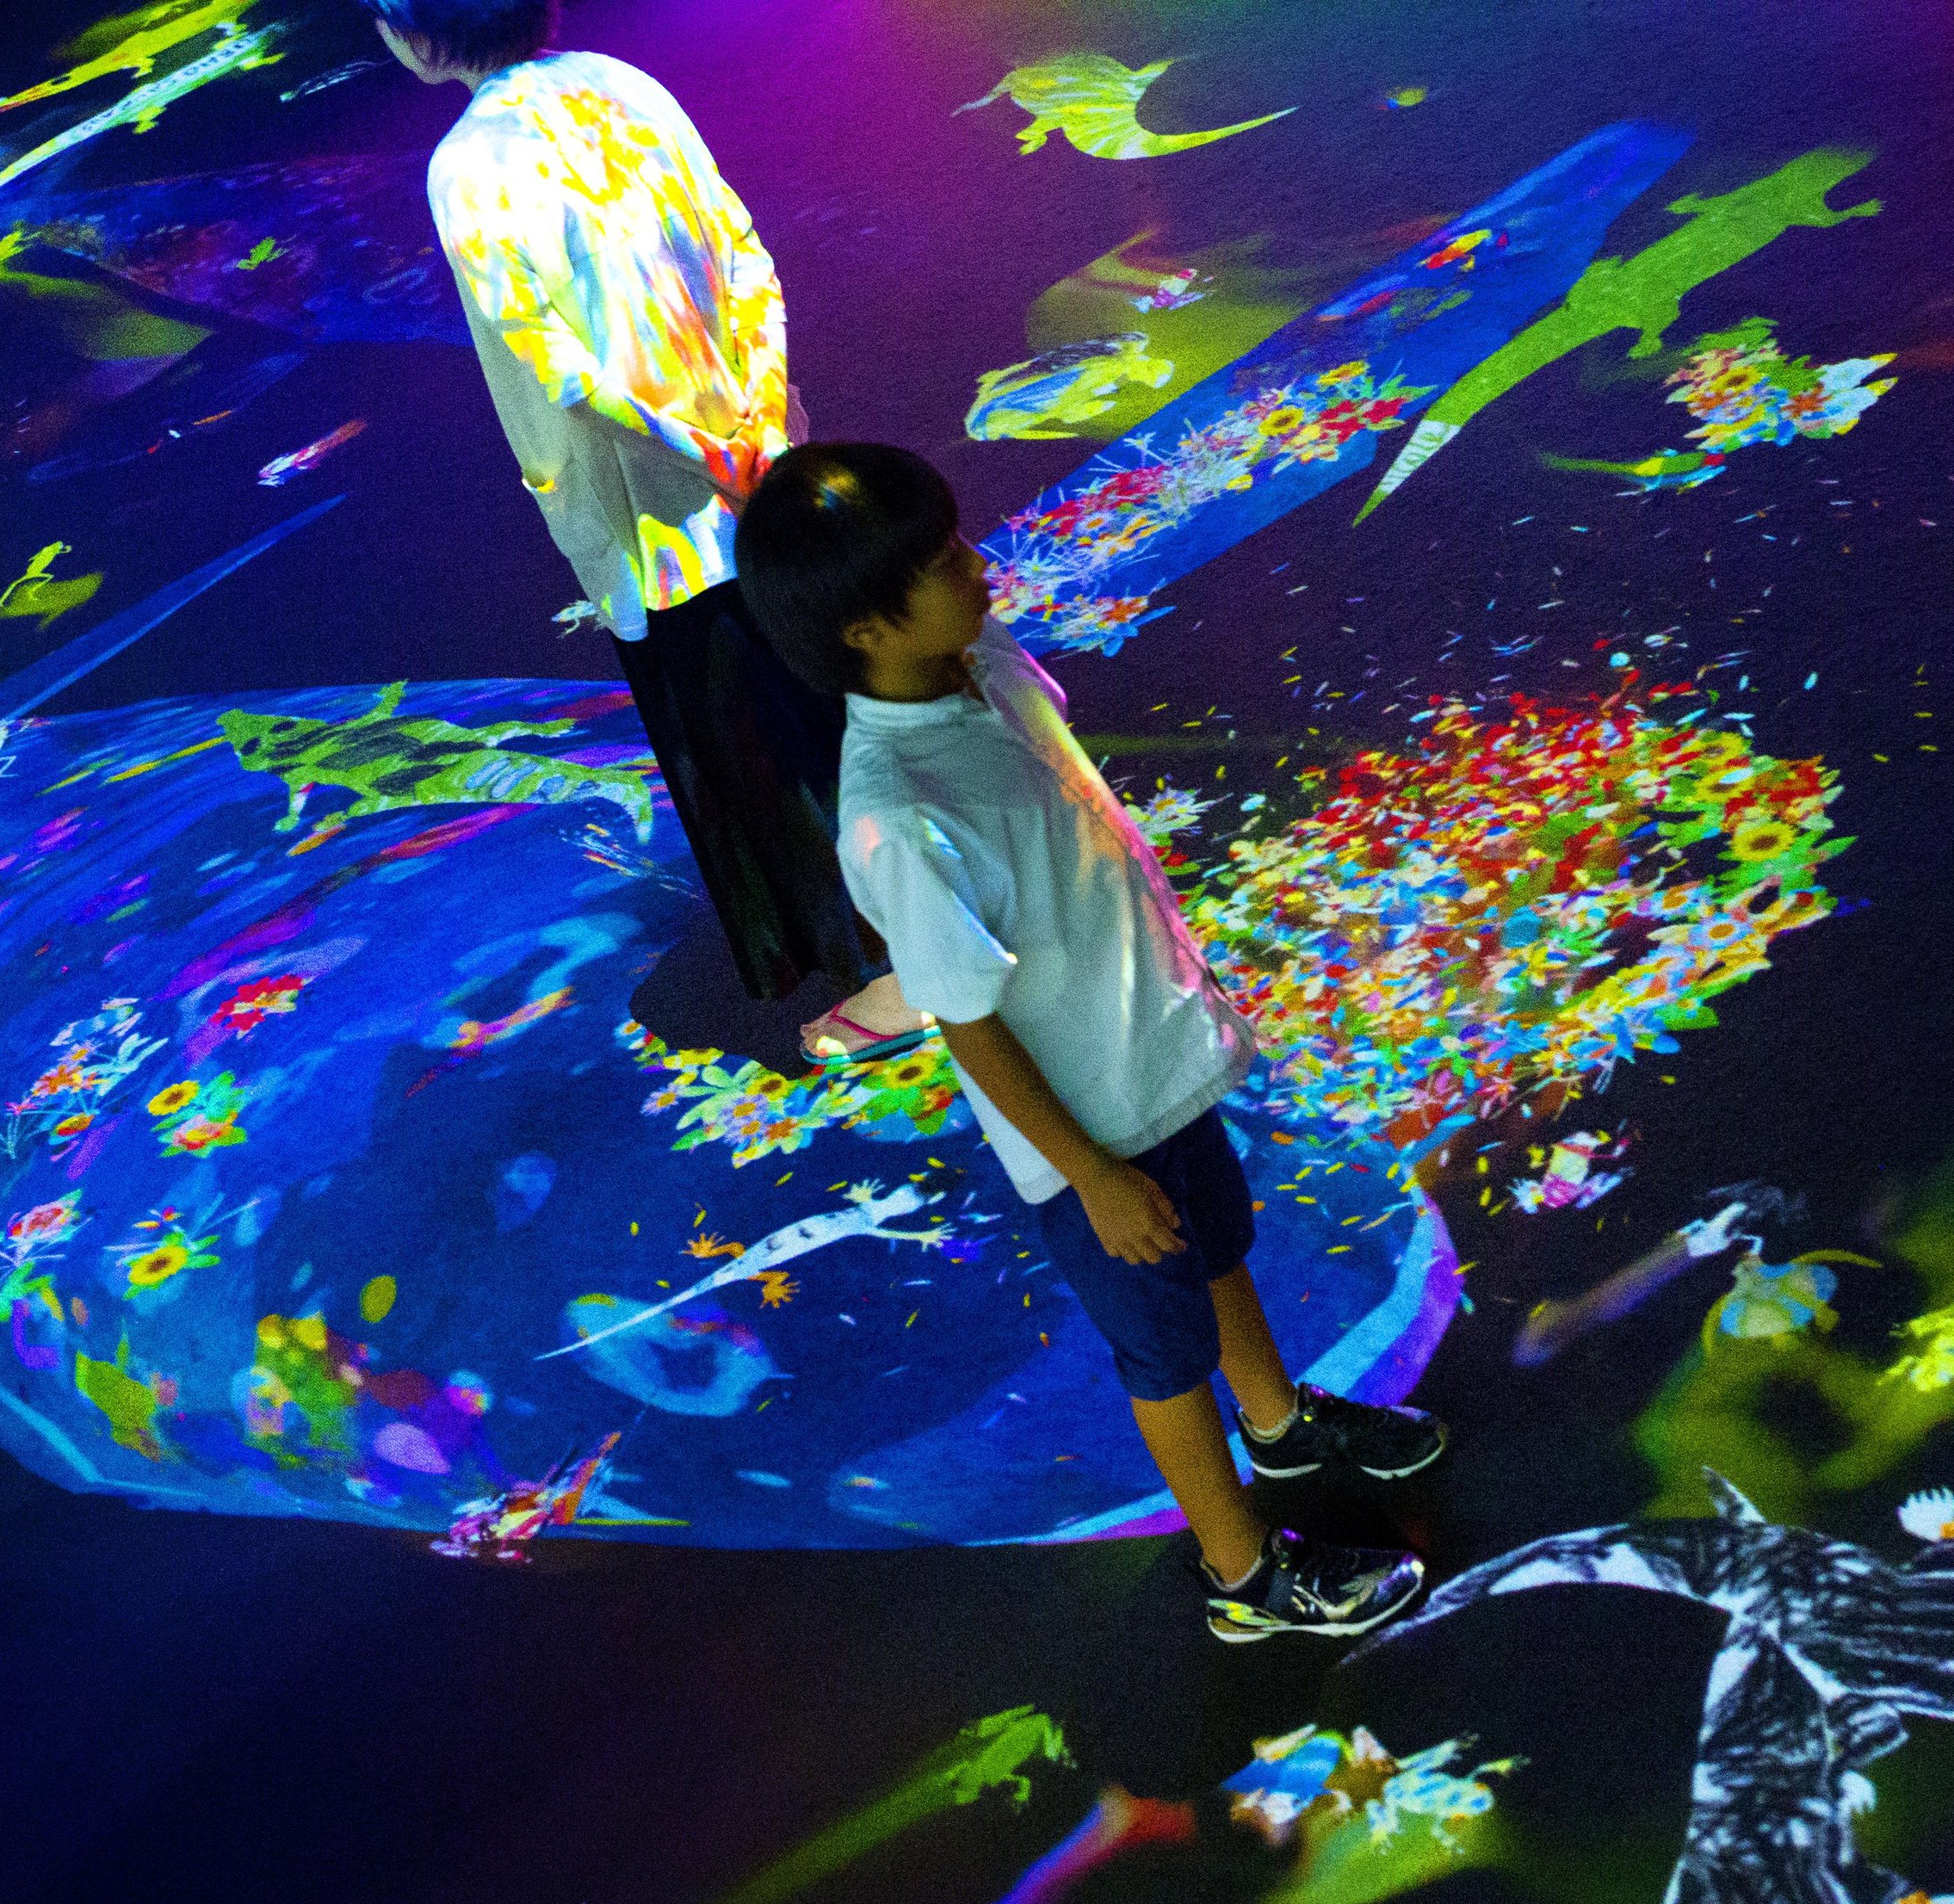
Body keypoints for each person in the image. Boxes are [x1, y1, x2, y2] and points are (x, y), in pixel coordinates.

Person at [737, 443, 1444, 1643]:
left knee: (1218, 1251)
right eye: (941, 561)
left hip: (1154, 1056)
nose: (977, 564)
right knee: (1163, 1353)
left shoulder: (976, 665)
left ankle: (1278, 1426)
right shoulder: (897, 813)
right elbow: (967, 1021)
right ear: (864, 629)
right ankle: (1243, 1577)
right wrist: (1092, 1175)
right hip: (1091, 1133)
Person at [367, 0, 924, 1066]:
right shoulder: (623, 82)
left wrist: (705, 457)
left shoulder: (468, 161)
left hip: (657, 511)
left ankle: (893, 975)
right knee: (830, 703)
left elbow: (562, 370)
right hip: (756, 459)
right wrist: (757, 429)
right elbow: (745, 254)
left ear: (418, 31)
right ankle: (932, 920)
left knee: (757, 745)